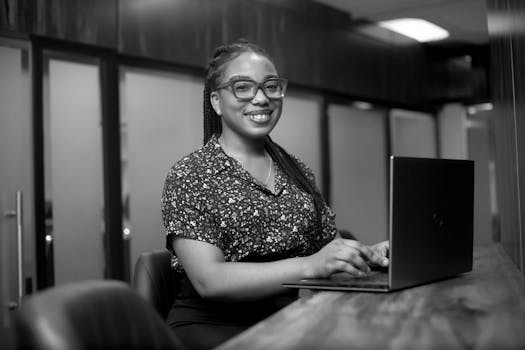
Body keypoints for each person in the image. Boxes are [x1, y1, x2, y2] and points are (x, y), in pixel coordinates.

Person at [161, 39, 389, 350]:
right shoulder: (190, 174)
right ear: (216, 101)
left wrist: (369, 254)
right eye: (243, 87)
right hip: (211, 330)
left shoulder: (296, 171)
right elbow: (209, 280)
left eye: (270, 86)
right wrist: (308, 265)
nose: (261, 98)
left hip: (287, 319)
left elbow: (327, 250)